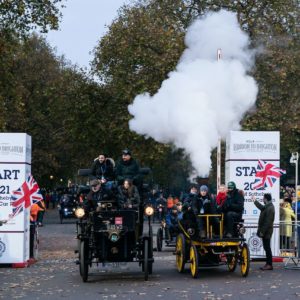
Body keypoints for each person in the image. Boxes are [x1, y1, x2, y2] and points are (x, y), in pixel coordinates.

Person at [254, 193, 275, 271]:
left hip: (267, 231)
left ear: (266, 199)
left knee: (267, 248)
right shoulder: (267, 207)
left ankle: (269, 264)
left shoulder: (270, 208)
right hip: (266, 231)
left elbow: (267, 222)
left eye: (263, 198)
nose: (262, 199)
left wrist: (262, 231)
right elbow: (261, 207)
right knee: (266, 247)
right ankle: (268, 264)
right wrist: (255, 201)